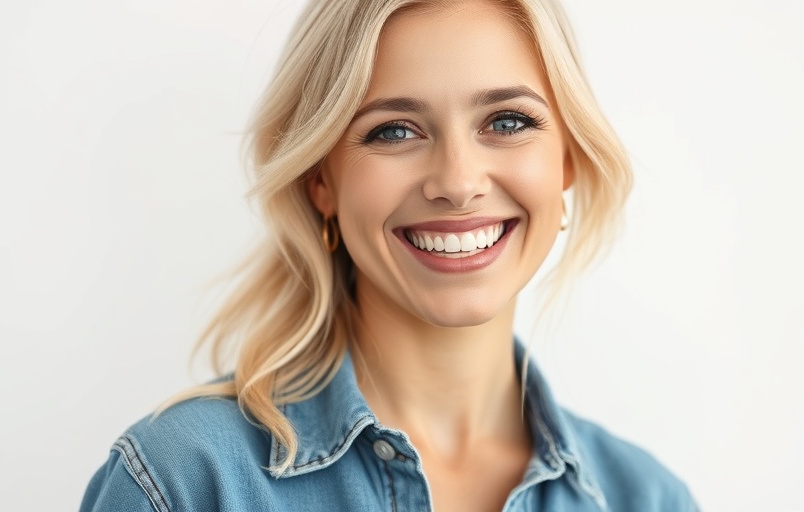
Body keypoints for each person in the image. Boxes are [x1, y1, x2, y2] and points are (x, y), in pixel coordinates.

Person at [81, 0, 698, 510]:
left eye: (507, 122)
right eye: (394, 131)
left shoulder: (646, 497)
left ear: (566, 160)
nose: (458, 182)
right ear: (320, 181)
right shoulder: (183, 481)